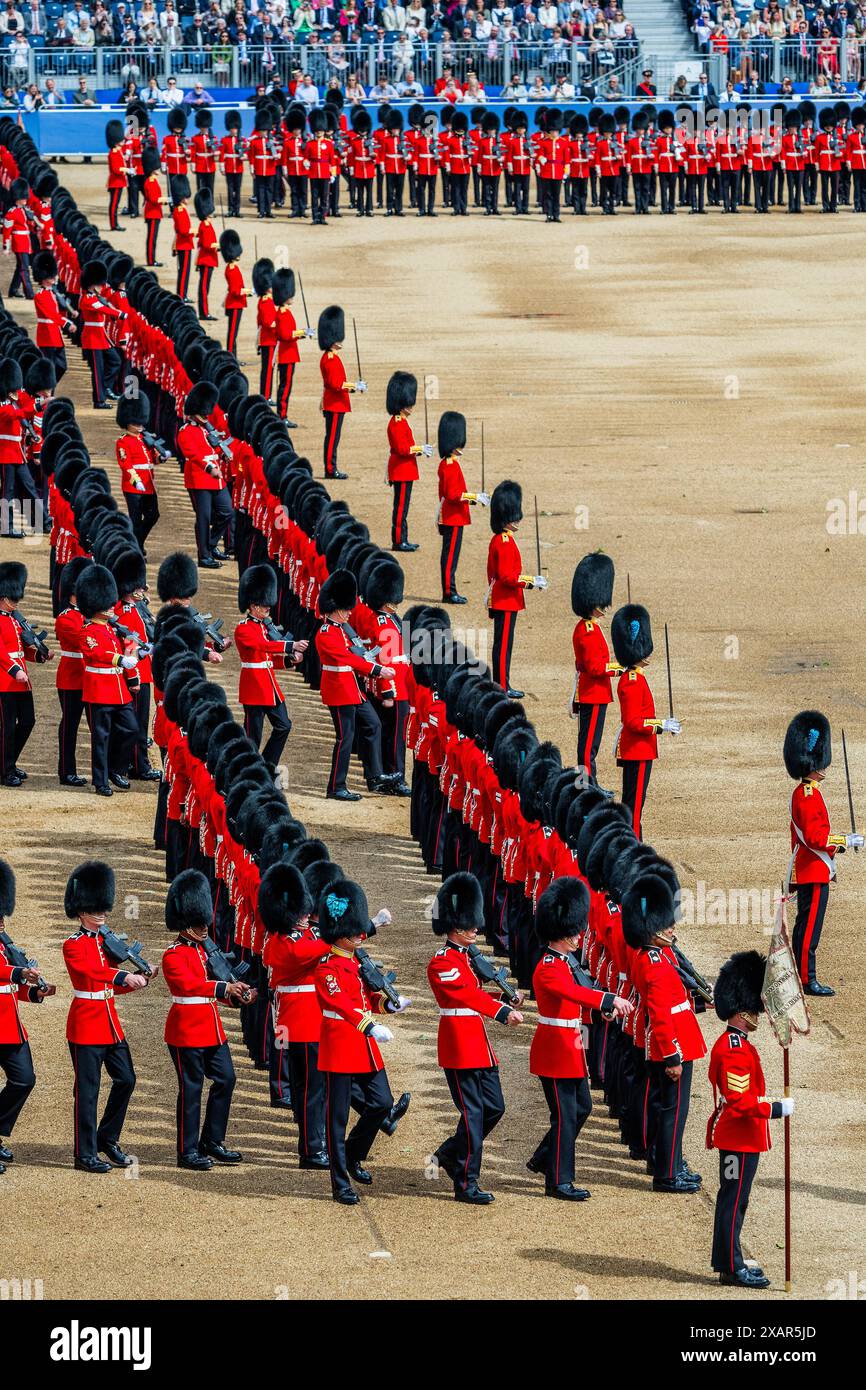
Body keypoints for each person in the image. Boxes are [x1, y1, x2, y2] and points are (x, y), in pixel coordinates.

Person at [528, 877, 633, 1199]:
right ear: (559, 932)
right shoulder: (548, 966)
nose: (579, 936)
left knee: (582, 1108)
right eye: (574, 931)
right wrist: (606, 1000)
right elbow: (570, 991)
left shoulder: (565, 961)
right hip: (554, 1050)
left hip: (571, 1046)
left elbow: (575, 998)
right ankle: (558, 1180)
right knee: (564, 1115)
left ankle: (545, 1158)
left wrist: (597, 1010)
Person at [427, 873, 523, 1203]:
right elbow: (467, 995)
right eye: (469, 924)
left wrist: (505, 994)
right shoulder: (442, 961)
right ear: (454, 924)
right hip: (458, 1044)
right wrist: (499, 1010)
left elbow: (478, 990)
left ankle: (448, 1154)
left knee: (494, 1108)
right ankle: (466, 1182)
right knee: (473, 1115)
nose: (475, 929)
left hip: (478, 1044)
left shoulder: (469, 958)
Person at [314, 877, 409, 1204]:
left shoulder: (356, 960)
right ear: (340, 932)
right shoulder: (327, 966)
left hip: (363, 1045)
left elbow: (367, 999)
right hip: (341, 1043)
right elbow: (340, 1003)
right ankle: (340, 1183)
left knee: (382, 1102)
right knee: (336, 1120)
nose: (362, 933)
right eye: (356, 929)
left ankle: (354, 1154)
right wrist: (369, 1026)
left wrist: (389, 1006)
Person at [707, 949, 793, 1288]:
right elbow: (742, 1103)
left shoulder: (736, 1043)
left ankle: (730, 1260)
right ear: (744, 1012)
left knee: (735, 1199)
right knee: (733, 1200)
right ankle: (731, 1267)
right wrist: (777, 1108)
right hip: (737, 1138)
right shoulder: (733, 1049)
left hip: (739, 1137)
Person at [62, 861, 153, 1172]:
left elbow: (109, 986)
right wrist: (122, 977)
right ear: (81, 910)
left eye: (103, 907)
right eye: (95, 908)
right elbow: (94, 973)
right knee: (87, 1092)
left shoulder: (106, 943)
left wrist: (140, 979)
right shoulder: (73, 945)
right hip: (86, 1025)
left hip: (109, 1023)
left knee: (126, 1079)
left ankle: (107, 1138)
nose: (102, 913)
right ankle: (84, 1154)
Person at [621, 869, 707, 1193]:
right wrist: (672, 1055)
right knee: (673, 1112)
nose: (671, 926)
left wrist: (700, 1004)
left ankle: (668, 1162)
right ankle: (667, 1174)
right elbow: (660, 1014)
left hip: (676, 1037)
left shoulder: (660, 955)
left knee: (670, 1110)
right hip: (671, 1046)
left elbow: (676, 1000)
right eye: (664, 923)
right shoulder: (654, 963)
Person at [162, 869, 253, 1170]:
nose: (204, 927)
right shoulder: (172, 955)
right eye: (198, 923)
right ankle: (186, 1151)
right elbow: (190, 987)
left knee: (227, 1078)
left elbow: (216, 989)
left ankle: (212, 1140)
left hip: (212, 1030)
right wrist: (224, 987)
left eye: (205, 922)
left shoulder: (205, 952)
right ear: (184, 921)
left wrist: (237, 994)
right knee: (191, 1090)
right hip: (186, 1031)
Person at [783, 710, 861, 996]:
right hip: (813, 869)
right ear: (811, 763)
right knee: (809, 929)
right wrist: (844, 841)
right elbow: (815, 838)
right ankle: (807, 978)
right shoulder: (806, 796)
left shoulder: (808, 792)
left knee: (805, 925)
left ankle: (798, 973)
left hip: (811, 868)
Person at [259, 861, 326, 1147]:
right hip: (300, 1021)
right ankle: (312, 1148)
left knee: (305, 1086)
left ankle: (310, 1142)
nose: (304, 917)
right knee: (311, 1087)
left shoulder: (289, 936)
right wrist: (352, 931)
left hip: (299, 1018)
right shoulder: (283, 942)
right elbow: (307, 953)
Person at [315, 568, 397, 801]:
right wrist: (378, 669)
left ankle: (375, 776)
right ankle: (335, 787)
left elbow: (357, 654)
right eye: (346, 610)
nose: (350, 613)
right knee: (345, 738)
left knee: (373, 725)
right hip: (339, 690)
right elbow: (348, 659)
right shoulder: (326, 633)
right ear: (336, 609)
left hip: (351, 688)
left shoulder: (342, 630)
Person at [0, 859, 54, 1170]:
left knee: (24, 1080)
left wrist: (35, 992)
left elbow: (8, 987)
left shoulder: (6, 948)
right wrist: (20, 972)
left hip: (10, 1028)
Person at [610, 603, 681, 839]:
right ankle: (632, 846)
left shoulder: (635, 677)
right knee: (633, 806)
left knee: (635, 803)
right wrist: (661, 725)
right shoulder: (632, 680)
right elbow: (633, 721)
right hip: (637, 751)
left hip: (640, 750)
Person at [77, 565, 141, 797]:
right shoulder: (87, 631)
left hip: (118, 689)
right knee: (101, 737)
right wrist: (121, 659)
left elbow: (127, 647)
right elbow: (96, 654)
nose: (110, 606)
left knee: (131, 729)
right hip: (99, 689)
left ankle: (116, 769)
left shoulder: (113, 628)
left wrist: (133, 649)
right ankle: (100, 780)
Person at [234, 563, 305, 768]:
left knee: (284, 725)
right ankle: (247, 770)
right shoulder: (244, 629)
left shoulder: (265, 627)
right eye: (264, 605)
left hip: (269, 686)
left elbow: (267, 658)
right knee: (252, 737)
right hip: (254, 687)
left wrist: (289, 659)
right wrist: (290, 645)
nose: (268, 607)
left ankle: (267, 764)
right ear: (253, 605)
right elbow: (263, 646)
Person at [486, 479, 545, 698]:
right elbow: (506, 577)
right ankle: (501, 684)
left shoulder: (505, 539)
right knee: (503, 646)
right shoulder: (502, 541)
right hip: (505, 599)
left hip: (507, 599)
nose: (517, 520)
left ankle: (502, 682)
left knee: (505, 644)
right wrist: (531, 581)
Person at [0, 562, 51, 785]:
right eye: (13, 599)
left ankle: (9, 761)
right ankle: (5, 771)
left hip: (21, 681)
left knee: (28, 721)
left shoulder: (15, 620)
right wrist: (15, 670)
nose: (16, 602)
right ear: (2, 597)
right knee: (7, 727)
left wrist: (40, 656)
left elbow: (22, 649)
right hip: (5, 681)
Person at [111, 552, 158, 783]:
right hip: (136, 673)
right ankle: (140, 765)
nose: (142, 591)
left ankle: (134, 762)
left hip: (141, 669)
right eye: (138, 587)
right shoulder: (125, 613)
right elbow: (129, 647)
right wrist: (134, 678)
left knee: (138, 722)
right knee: (138, 723)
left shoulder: (130, 609)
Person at [571, 551, 617, 781]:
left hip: (596, 693)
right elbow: (595, 667)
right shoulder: (587, 630)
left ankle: (590, 782)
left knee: (591, 744)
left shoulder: (590, 626)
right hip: (592, 693)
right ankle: (586, 785)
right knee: (588, 745)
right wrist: (618, 668)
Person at [176, 381, 233, 570]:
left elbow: (213, 448)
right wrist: (210, 468)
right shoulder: (185, 432)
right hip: (199, 480)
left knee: (226, 511)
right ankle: (204, 556)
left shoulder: (206, 429)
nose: (206, 417)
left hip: (216, 480)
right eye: (203, 414)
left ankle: (210, 545)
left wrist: (222, 454)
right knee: (204, 517)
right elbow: (193, 455)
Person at [436, 410, 488, 604]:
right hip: (452, 516)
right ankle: (449, 591)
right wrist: (475, 497)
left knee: (452, 556)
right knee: (450, 557)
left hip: (456, 515)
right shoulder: (448, 465)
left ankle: (451, 589)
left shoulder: (452, 463)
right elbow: (452, 495)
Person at [54, 556, 91, 788]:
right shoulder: (65, 618)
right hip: (71, 676)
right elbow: (83, 640)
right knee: (70, 725)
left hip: (91, 676)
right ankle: (67, 771)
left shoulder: (88, 615)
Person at [385, 370, 431, 552]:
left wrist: (419, 450)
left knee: (404, 507)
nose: (411, 405)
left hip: (406, 469)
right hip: (401, 470)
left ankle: (403, 538)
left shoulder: (401, 421)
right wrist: (420, 449)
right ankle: (398, 540)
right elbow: (402, 449)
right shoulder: (396, 423)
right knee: (401, 508)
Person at [318, 304, 365, 480]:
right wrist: (354, 386)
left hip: (336, 402)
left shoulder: (332, 357)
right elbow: (335, 384)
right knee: (332, 438)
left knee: (333, 437)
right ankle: (330, 469)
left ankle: (331, 467)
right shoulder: (329, 359)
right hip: (334, 403)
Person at [115, 392, 160, 552]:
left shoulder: (144, 439)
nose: (140, 425)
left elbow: (152, 459)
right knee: (135, 519)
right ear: (127, 422)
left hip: (148, 483)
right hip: (133, 486)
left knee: (153, 515)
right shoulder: (123, 442)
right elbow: (125, 464)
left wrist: (160, 457)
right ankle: (137, 547)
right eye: (136, 422)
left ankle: (136, 542)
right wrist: (136, 481)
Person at [79, 259, 124, 409]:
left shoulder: (96, 296)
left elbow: (107, 297)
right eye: (99, 283)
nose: (101, 286)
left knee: (115, 361)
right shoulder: (87, 299)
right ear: (92, 284)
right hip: (92, 338)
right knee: (98, 371)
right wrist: (120, 314)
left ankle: (103, 389)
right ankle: (99, 400)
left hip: (101, 337)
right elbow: (103, 310)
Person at [273, 266, 312, 426]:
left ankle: (283, 415)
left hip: (290, 353)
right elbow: (285, 335)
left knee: (287, 386)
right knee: (285, 387)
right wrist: (302, 332)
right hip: (286, 354)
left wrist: (303, 333)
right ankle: (281, 416)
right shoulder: (282, 313)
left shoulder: (286, 312)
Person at [2, 177, 34, 299]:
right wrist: (6, 246)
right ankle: (29, 292)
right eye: (23, 197)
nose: (26, 199)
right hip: (19, 243)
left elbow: (28, 226)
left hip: (25, 241)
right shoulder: (12, 212)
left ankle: (13, 290)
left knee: (20, 267)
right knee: (24, 268)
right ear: (18, 198)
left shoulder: (23, 210)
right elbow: (6, 231)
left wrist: (32, 220)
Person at [220, 228, 247, 357]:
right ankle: (230, 355)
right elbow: (235, 290)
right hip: (235, 304)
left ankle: (233, 356)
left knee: (233, 333)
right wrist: (249, 291)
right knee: (232, 333)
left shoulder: (233, 267)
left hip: (237, 303)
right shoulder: (231, 269)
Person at [142, 145, 167, 265]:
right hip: (152, 213)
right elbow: (154, 199)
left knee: (153, 238)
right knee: (152, 238)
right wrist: (166, 199)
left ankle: (152, 259)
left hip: (155, 212)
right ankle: (151, 261)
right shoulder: (150, 181)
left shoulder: (153, 180)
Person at [170, 175, 194, 301]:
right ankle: (181, 295)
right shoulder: (180, 211)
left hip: (184, 244)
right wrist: (196, 231)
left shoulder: (181, 209)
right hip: (184, 245)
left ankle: (182, 294)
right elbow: (184, 231)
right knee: (184, 272)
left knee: (185, 271)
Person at [219, 109, 246, 219]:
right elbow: (222, 154)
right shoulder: (225, 140)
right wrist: (221, 166)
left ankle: (237, 210)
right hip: (229, 167)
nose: (233, 130)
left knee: (238, 189)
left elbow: (246, 152)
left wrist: (244, 156)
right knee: (230, 190)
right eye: (232, 128)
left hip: (238, 167)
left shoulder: (242, 140)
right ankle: (230, 209)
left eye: (235, 128)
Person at [105, 118, 128, 232]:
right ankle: (113, 225)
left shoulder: (118, 150)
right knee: (114, 205)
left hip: (119, 181)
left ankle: (115, 224)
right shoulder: (113, 152)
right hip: (115, 182)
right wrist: (127, 170)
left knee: (115, 204)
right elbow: (116, 169)